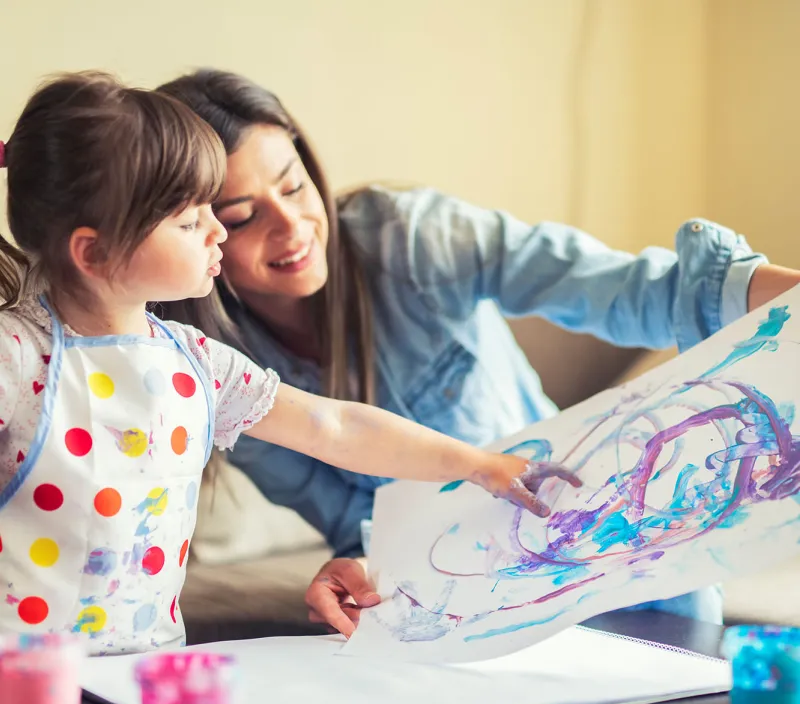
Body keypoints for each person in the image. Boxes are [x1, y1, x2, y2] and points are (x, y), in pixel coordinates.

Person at [157, 69, 800, 637]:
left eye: (294, 188)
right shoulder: (224, 377)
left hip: (594, 526)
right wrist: (364, 566)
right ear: (193, 232)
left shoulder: (411, 237)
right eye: (241, 216)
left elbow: (641, 291)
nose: (291, 227)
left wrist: (783, 297)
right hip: (446, 584)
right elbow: (352, 516)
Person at [0, 72, 576, 655]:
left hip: (151, 666)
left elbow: (337, 427)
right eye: (190, 219)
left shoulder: (198, 363)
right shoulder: (15, 357)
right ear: (94, 251)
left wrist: (477, 463)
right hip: (19, 673)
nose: (217, 230)